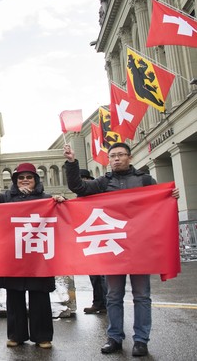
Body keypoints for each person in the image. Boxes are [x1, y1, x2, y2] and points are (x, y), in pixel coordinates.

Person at [63, 142, 179, 357]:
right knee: (114, 296)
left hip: (140, 248)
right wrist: (71, 162)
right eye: (112, 156)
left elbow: (158, 204)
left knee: (142, 296)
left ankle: (141, 340)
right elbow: (78, 188)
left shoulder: (145, 180)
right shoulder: (102, 182)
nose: (116, 159)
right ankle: (114, 337)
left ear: (129, 157)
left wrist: (170, 197)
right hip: (113, 248)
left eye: (120, 155)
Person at [0, 162, 65, 349]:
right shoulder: (5, 198)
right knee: (14, 298)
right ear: (15, 181)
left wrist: (61, 202)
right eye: (21, 178)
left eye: (29, 177)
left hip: (38, 257)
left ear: (36, 180)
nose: (25, 180)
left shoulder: (46, 199)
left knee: (40, 298)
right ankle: (16, 335)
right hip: (12, 256)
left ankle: (42, 336)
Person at [78, 169, 107, 315]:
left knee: (105, 277)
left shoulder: (103, 195)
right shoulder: (77, 200)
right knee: (94, 276)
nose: (84, 181)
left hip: (107, 241)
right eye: (81, 179)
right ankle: (98, 303)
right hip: (89, 241)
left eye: (86, 178)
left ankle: (107, 303)